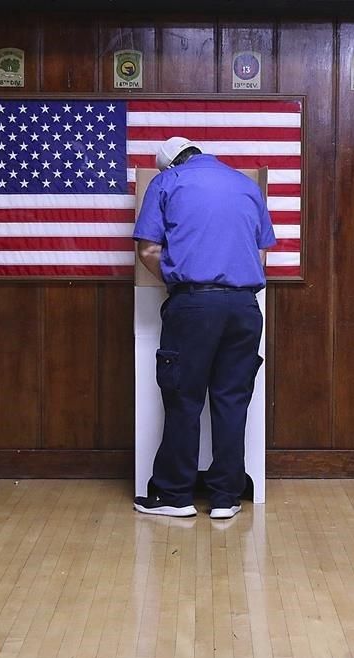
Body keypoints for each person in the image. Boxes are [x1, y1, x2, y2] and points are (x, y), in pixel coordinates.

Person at [132, 137, 276, 520]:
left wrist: (181, 274)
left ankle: (174, 495)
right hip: (245, 307)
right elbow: (261, 252)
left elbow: (147, 250)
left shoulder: (166, 182)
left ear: (169, 164)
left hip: (194, 305)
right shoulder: (247, 185)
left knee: (183, 398)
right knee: (232, 401)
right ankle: (225, 498)